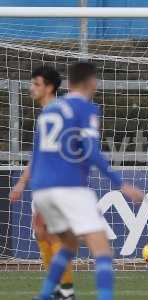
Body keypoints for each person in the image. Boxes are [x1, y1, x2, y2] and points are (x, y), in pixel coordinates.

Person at [29, 62, 143, 300]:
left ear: (68, 84)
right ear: (93, 83)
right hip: (69, 188)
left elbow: (37, 157)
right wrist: (120, 183)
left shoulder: (49, 110)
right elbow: (91, 152)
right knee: (102, 249)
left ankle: (45, 296)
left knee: (69, 244)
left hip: (42, 190)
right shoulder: (86, 109)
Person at [10, 66, 76, 300]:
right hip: (46, 181)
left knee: (51, 233)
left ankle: (65, 291)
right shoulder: (49, 114)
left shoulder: (55, 114)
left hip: (54, 182)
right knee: (41, 233)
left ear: (49, 87)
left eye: (36, 84)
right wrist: (22, 183)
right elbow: (38, 155)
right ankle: (59, 288)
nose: (31, 88)